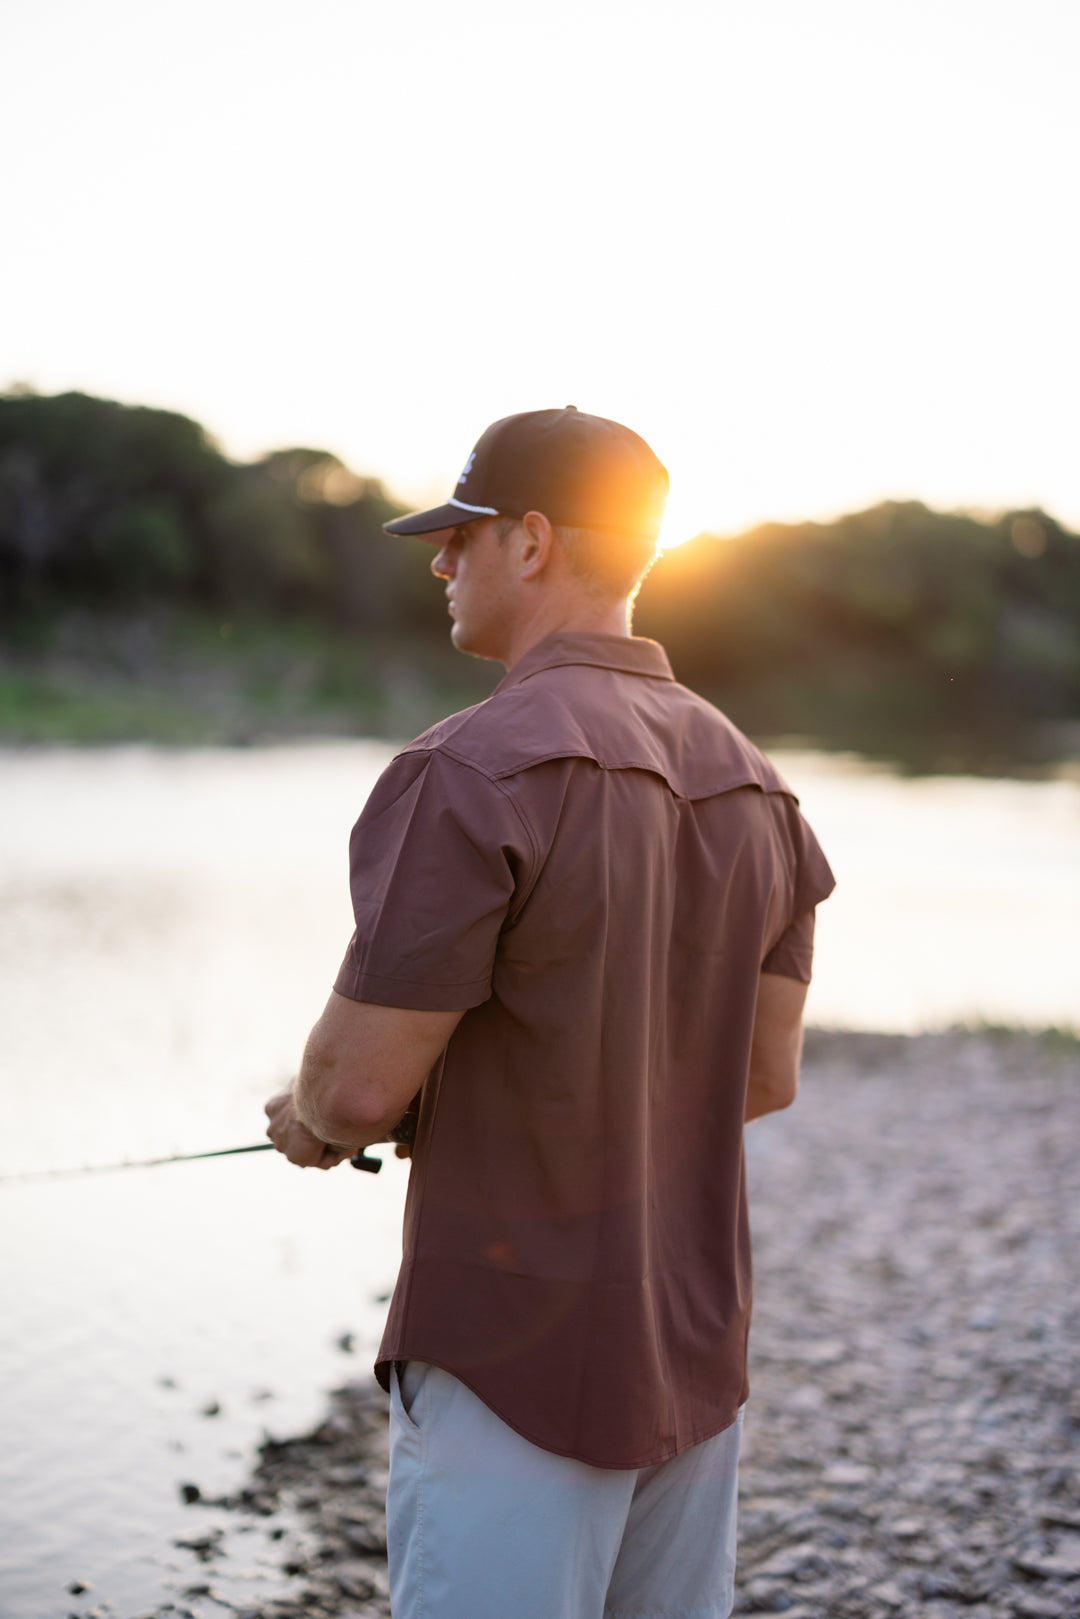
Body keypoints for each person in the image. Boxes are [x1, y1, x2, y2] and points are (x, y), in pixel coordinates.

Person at [265, 406, 835, 1619]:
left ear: (530, 541)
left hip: (509, 1355)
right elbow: (763, 1075)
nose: (439, 561)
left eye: (459, 536)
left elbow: (357, 1087)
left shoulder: (467, 769)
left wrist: (317, 1114)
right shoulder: (762, 789)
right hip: (690, 1357)